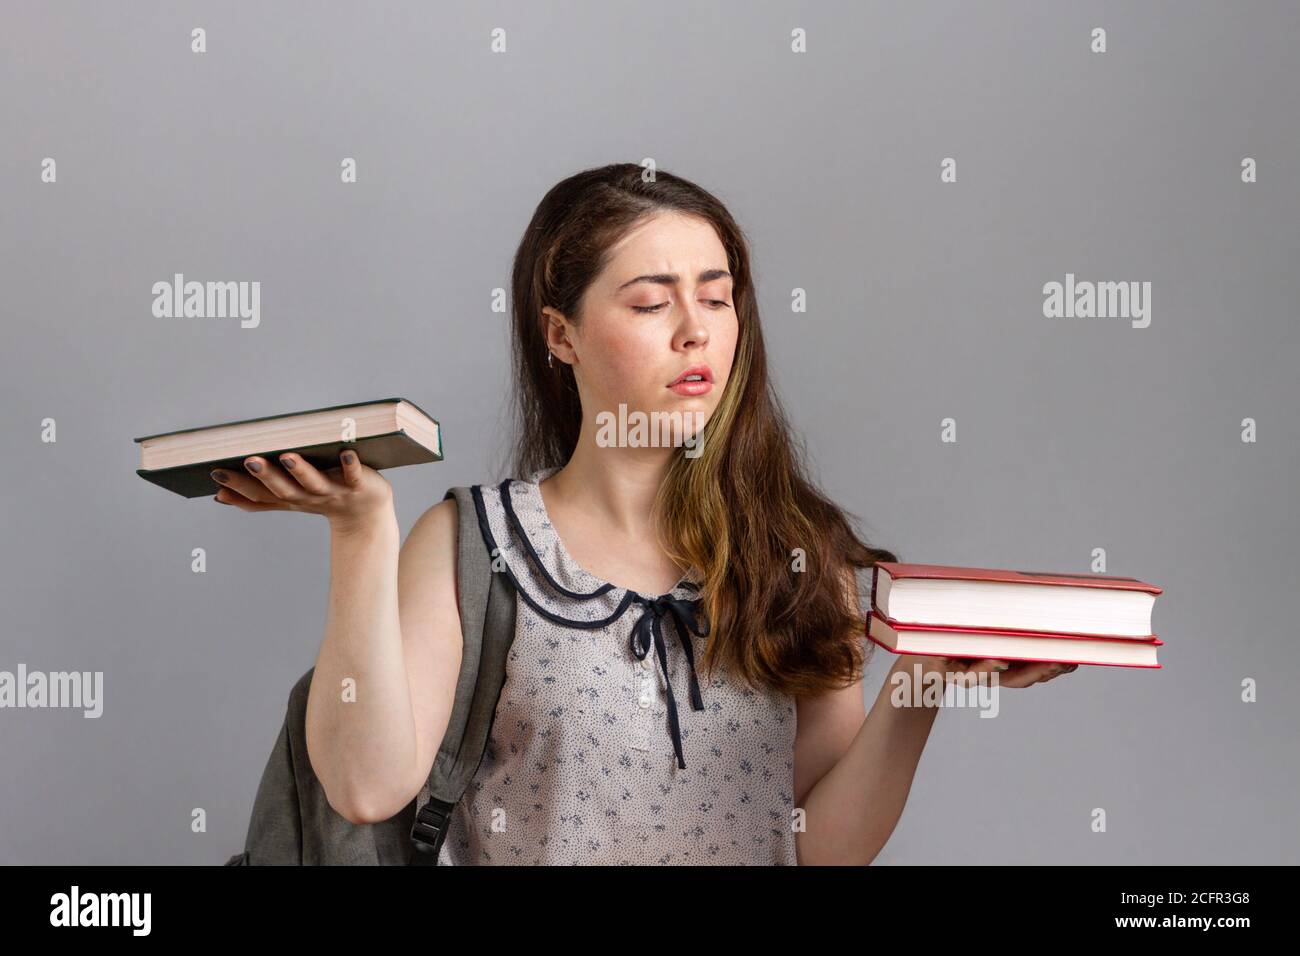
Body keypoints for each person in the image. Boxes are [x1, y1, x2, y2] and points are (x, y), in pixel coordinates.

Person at [209, 163, 1076, 865]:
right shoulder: (474, 546)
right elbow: (366, 790)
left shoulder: (799, 555)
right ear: (561, 335)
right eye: (652, 303)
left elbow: (816, 848)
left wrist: (921, 684)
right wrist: (360, 532)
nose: (696, 330)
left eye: (718, 294)